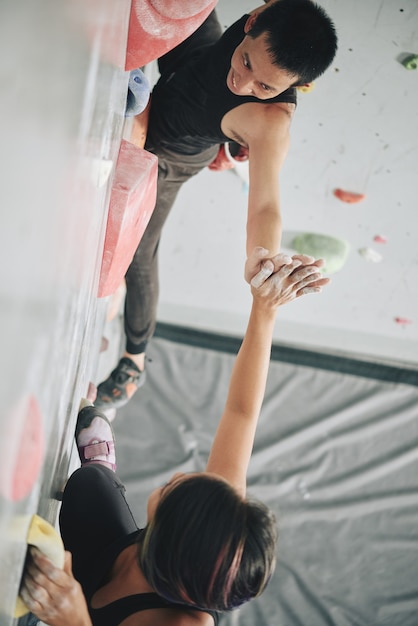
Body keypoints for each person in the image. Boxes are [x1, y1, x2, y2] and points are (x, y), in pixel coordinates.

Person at [20, 253, 330, 626]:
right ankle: (101, 465)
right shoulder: (217, 519)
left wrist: (73, 619)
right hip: (103, 560)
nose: (181, 477)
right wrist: (265, 309)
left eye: (178, 492)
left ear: (173, 541)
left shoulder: (184, 624)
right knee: (89, 483)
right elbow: (241, 412)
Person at [94, 0, 338, 410]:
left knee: (138, 254)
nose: (243, 84)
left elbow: (266, 207)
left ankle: (135, 358)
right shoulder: (274, 15)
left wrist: (260, 257)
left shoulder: (270, 122)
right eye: (246, 62)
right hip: (193, 61)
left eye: (264, 86)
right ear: (255, 19)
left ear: (294, 86)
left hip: (173, 151)